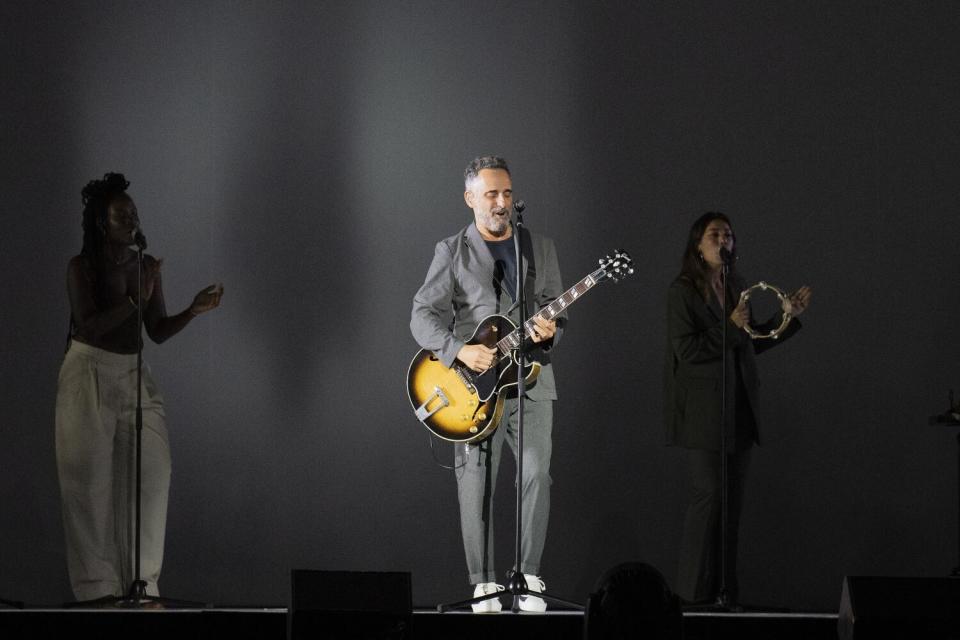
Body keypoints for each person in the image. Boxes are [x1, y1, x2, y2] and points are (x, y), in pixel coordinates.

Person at [56, 172, 223, 602]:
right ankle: (97, 592)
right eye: (121, 215)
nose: (132, 221)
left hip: (133, 373)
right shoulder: (82, 267)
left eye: (133, 213)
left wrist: (193, 310)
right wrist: (134, 299)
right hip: (88, 371)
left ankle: (143, 588)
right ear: (100, 222)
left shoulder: (144, 266)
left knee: (152, 475)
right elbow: (89, 326)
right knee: (89, 487)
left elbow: (156, 330)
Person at [410, 156, 565, 612]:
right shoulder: (451, 251)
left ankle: (529, 575)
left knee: (537, 474)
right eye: (492, 194)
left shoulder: (539, 247)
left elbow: (556, 307)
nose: (502, 202)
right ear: (470, 198)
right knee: (476, 481)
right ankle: (484, 582)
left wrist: (552, 328)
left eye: (507, 193)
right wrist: (458, 349)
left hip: (532, 379)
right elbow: (422, 315)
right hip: (474, 388)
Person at [663, 212, 811, 606]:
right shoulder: (683, 292)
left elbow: (748, 344)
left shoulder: (737, 286)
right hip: (704, 414)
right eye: (715, 235)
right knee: (707, 500)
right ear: (698, 244)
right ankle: (690, 598)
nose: (723, 241)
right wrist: (729, 326)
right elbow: (688, 351)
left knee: (732, 512)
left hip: (739, 411)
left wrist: (786, 319)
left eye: (728, 235)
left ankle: (725, 596)